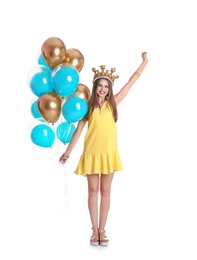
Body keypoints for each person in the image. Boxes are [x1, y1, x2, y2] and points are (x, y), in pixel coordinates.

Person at [59, 52, 148, 246]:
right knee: (92, 191)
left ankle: (102, 230)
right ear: (95, 87)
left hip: (108, 154)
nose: (103, 89)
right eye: (100, 85)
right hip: (91, 154)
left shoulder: (113, 104)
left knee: (106, 191)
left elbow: (131, 81)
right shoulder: (87, 109)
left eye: (106, 87)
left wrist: (144, 63)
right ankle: (93, 231)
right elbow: (78, 132)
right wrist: (67, 153)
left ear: (109, 90)